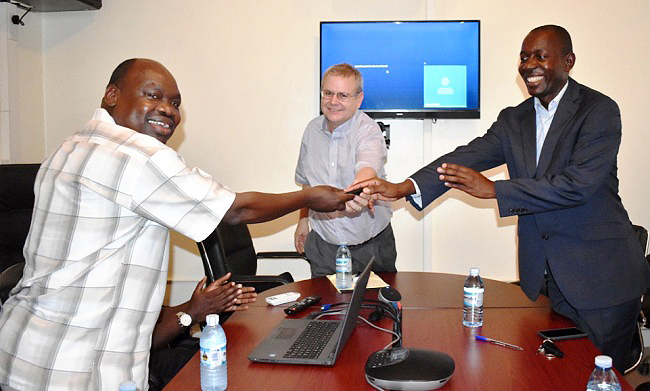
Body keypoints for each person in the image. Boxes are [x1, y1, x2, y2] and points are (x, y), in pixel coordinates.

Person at [0, 58, 353, 391]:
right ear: (112, 95)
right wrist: (309, 197)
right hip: (72, 368)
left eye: (175, 103)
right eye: (153, 95)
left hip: (23, 349)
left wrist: (190, 311)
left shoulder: (68, 148)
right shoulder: (134, 155)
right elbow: (235, 211)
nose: (168, 110)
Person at [350, 25, 650, 372]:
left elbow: (577, 185)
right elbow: (468, 156)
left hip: (603, 279)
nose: (529, 64)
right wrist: (404, 187)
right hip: (548, 282)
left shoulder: (598, 111)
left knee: (598, 378)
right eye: (524, 57)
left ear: (568, 61)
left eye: (541, 55)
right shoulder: (515, 119)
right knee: (553, 376)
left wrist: (496, 190)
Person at [294, 63, 397, 277]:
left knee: (378, 309)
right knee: (325, 309)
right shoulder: (312, 130)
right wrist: (303, 220)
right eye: (328, 93)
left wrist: (358, 193)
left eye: (343, 95)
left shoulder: (368, 130)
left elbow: (367, 168)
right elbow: (306, 183)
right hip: (324, 247)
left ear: (358, 99)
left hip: (372, 248)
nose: (333, 102)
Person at [148, 273, 256, 391]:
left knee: (233, 365)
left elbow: (153, 316)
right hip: (140, 368)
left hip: (153, 356)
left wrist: (204, 304)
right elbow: (137, 343)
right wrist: (191, 315)